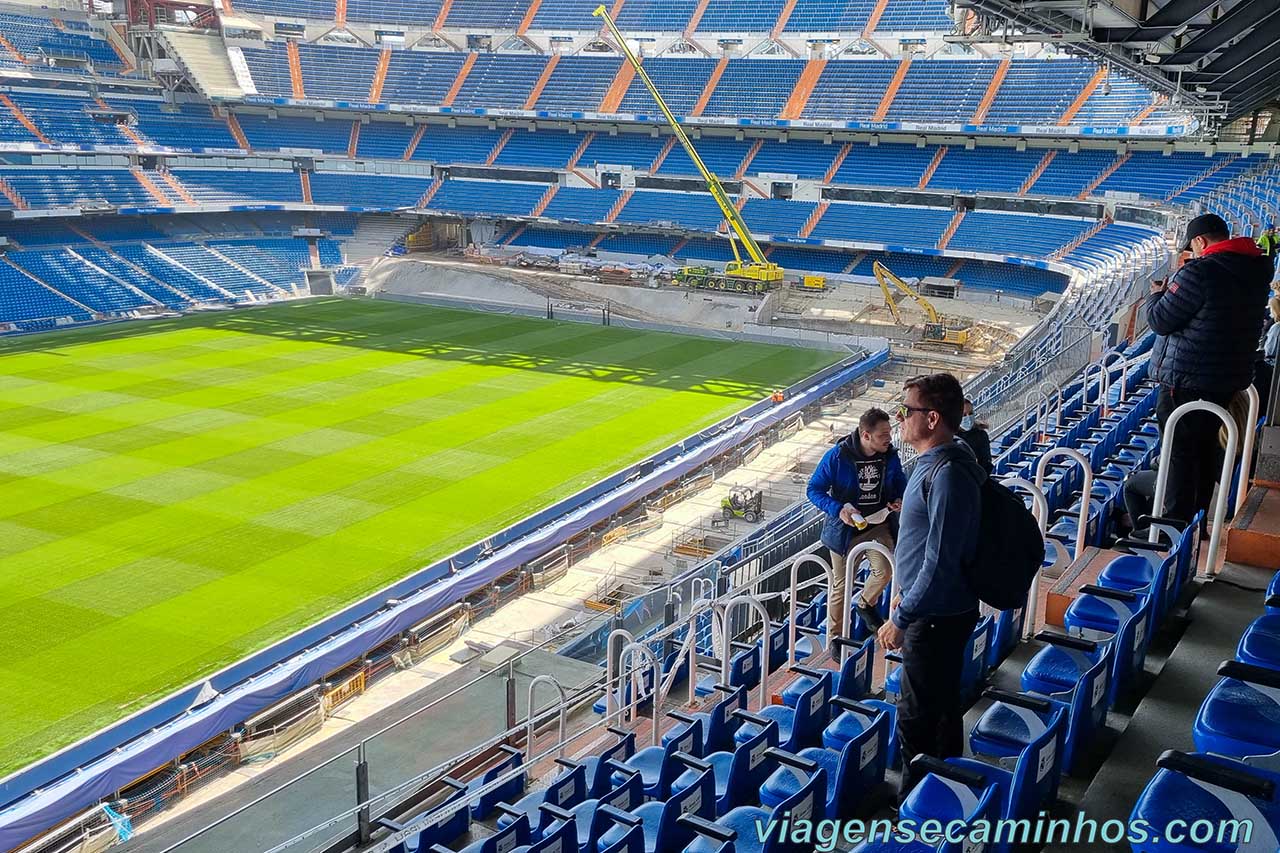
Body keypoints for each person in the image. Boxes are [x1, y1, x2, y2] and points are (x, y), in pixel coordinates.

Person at [876, 373, 983, 801]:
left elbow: (940, 559)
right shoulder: (940, 464)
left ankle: (916, 818)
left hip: (935, 616)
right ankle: (943, 801)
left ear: (933, 418)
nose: (900, 419)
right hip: (933, 606)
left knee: (918, 720)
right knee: (938, 713)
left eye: (908, 411)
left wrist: (902, 616)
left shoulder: (947, 473)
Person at [1147, 213, 1271, 533]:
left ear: (1200, 242)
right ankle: (1192, 531)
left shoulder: (1199, 273)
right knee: (1203, 454)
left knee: (1180, 455)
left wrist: (1157, 294)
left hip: (1187, 380)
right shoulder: (1256, 270)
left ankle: (1171, 531)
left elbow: (1160, 320)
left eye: (1193, 248)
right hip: (1225, 381)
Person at [807, 407, 907, 634]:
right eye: (883, 435)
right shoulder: (837, 456)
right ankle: (835, 636)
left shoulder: (889, 455)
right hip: (846, 531)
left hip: (879, 523)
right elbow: (814, 489)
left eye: (889, 433)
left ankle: (864, 604)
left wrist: (898, 497)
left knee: (885, 570)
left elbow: (900, 480)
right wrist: (837, 508)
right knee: (842, 586)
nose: (889, 439)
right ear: (865, 435)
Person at [957, 398, 992, 475]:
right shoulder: (949, 437)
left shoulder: (981, 435)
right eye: (964, 415)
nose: (968, 417)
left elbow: (986, 463)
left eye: (970, 413)